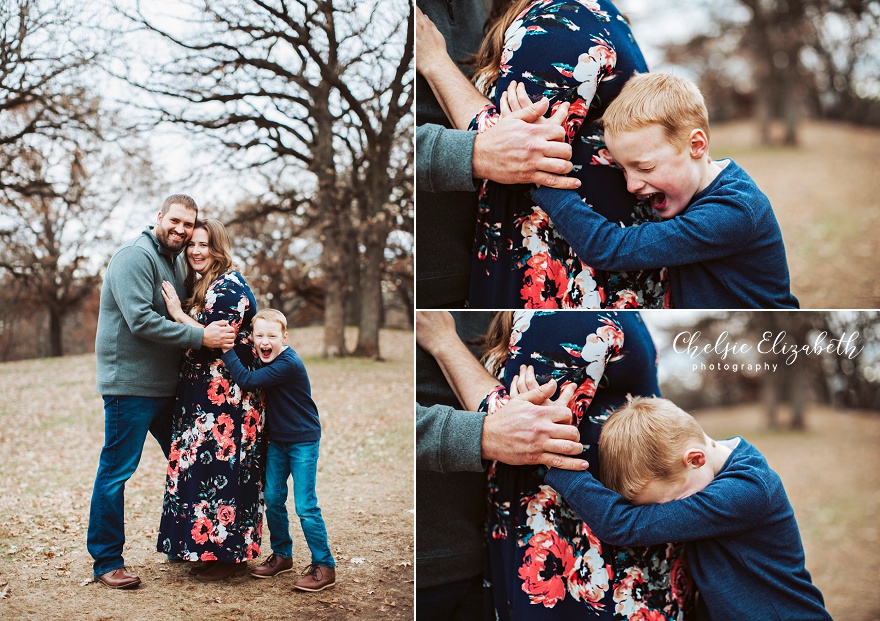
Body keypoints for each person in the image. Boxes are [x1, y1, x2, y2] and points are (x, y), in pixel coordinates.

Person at [422, 311, 693, 620]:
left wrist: (443, 341)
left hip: (582, 541)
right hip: (588, 532)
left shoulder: (560, 315)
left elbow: (518, 427)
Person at [417, 0, 668, 309]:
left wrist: (434, 62)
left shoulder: (558, 20)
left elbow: (514, 148)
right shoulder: (588, 11)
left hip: (567, 266)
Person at [545, 397, 831, 621]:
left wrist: (550, 457)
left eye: (669, 503)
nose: (664, 514)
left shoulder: (747, 491)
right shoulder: (712, 469)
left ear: (695, 459)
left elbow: (623, 525)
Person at [530, 73, 800, 309]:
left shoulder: (733, 213)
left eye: (645, 168)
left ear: (696, 145)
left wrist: (541, 174)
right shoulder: (697, 185)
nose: (631, 185)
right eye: (623, 169)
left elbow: (608, 247)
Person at [89, 195, 236, 590]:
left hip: (166, 389)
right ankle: (106, 560)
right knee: (116, 471)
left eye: (188, 225)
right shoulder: (133, 258)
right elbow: (140, 320)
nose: (181, 230)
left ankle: (190, 545)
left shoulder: (173, 260)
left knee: (188, 464)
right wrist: (200, 335)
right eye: (175, 220)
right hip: (130, 388)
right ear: (159, 217)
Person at [415, 311, 586, 620]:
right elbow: (517, 422)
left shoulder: (532, 316)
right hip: (431, 563)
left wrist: (444, 342)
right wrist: (484, 433)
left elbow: (525, 422)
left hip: (491, 558)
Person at [415, 0, 579, 308]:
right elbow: (383, 151)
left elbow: (525, 135)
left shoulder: (507, 10)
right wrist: (472, 152)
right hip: (428, 285)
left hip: (491, 285)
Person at [157, 218, 265, 582]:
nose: (196, 251)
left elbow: (213, 342)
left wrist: (176, 316)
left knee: (225, 473)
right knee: (205, 474)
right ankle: (207, 549)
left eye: (204, 244)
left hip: (227, 401)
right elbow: (203, 336)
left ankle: (229, 559)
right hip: (204, 399)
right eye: (192, 245)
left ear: (219, 249)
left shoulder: (228, 287)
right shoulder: (206, 285)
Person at [219, 308, 337, 592]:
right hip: (276, 441)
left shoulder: (288, 363)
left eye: (272, 335)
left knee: (305, 506)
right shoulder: (264, 356)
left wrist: (225, 349)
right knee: (272, 498)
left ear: (285, 337)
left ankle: (325, 566)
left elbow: (246, 381)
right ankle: (283, 555)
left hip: (302, 440)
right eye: (259, 335)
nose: (264, 341)